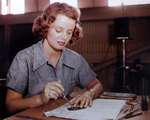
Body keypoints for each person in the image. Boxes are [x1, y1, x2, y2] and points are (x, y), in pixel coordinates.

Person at [5, 2, 103, 113]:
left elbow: (97, 85)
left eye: (69, 32)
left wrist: (89, 93)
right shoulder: (24, 59)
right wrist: (40, 98)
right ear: (45, 27)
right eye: (58, 30)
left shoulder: (75, 59)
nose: (64, 37)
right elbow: (11, 105)